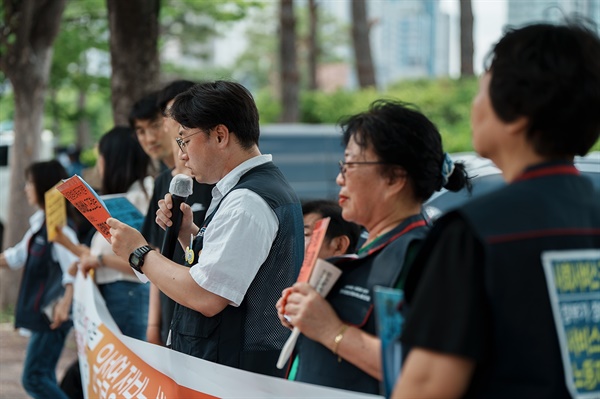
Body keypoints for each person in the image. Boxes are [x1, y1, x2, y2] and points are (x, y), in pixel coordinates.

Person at [392, 21, 600, 398]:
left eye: (481, 91)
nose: (474, 106)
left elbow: (426, 385)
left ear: (517, 112)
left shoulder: (474, 232)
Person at [106, 80, 304, 377]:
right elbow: (228, 271)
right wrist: (190, 236)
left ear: (221, 135)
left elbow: (206, 296)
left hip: (232, 375)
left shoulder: (247, 202)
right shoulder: (251, 191)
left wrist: (139, 252)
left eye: (184, 140)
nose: (182, 154)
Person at [277, 100, 469, 394]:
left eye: (351, 164)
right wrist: (305, 317)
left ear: (394, 178)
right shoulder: (373, 252)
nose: (340, 177)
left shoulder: (424, 256)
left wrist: (330, 330)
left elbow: (424, 371)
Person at [142, 80, 214, 346]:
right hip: (169, 307)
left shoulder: (213, 180)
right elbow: (155, 254)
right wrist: (153, 323)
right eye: (175, 112)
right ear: (166, 122)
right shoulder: (163, 182)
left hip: (201, 310)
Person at [0, 160, 79, 399]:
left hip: (53, 315)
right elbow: (17, 255)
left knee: (33, 377)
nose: (26, 188)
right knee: (43, 375)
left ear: (44, 187)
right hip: (44, 314)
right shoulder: (41, 225)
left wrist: (65, 305)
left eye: (31, 182)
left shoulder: (60, 230)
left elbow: (73, 268)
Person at [78, 126, 153, 340]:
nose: (98, 166)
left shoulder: (141, 195)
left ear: (112, 160)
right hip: (114, 295)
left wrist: (100, 260)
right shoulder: (122, 199)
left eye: (99, 157)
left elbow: (147, 257)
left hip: (127, 295)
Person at [129, 91, 174, 174]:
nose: (150, 139)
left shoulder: (201, 175)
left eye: (155, 126)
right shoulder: (160, 181)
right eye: (141, 131)